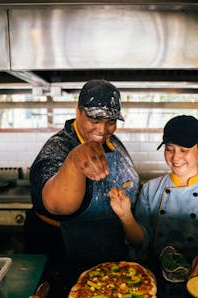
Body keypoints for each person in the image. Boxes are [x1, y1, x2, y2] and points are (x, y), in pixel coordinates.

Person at [24, 79, 140, 270]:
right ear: (78, 112)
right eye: (95, 120)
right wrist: (74, 162)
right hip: (63, 255)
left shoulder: (114, 143)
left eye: (110, 121)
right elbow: (55, 204)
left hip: (110, 252)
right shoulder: (58, 146)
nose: (102, 130)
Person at [109, 115, 198, 278]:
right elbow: (141, 242)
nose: (175, 157)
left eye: (184, 150)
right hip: (155, 277)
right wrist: (126, 216)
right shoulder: (150, 189)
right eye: (169, 148)